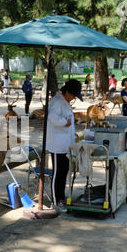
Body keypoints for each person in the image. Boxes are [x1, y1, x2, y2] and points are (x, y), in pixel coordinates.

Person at [47, 79, 83, 213]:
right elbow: (52, 117)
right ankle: (55, 201)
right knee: (58, 173)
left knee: (64, 172)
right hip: (57, 144)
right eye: (73, 95)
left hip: (65, 144)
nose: (74, 98)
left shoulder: (64, 101)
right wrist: (65, 123)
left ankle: (61, 197)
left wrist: (72, 133)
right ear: (67, 92)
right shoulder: (57, 102)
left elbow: (68, 120)